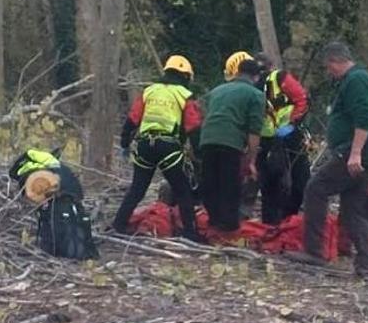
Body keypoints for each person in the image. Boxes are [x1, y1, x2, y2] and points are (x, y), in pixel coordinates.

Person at [301, 41, 368, 279]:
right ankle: (366, 266)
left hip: (355, 154)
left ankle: (315, 251)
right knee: (353, 209)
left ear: (336, 61)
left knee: (316, 189)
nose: (329, 72)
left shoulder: (356, 80)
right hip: (365, 156)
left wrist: (355, 152)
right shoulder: (357, 79)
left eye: (329, 67)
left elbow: (364, 118)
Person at [109, 55, 204, 243]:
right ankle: (190, 234)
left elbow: (132, 120)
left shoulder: (149, 92)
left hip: (144, 146)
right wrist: (199, 156)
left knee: (137, 189)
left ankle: (118, 225)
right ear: (185, 76)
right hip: (168, 147)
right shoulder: (183, 95)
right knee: (183, 190)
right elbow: (193, 127)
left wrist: (124, 144)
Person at [200, 57, 265, 233]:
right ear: (256, 77)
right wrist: (252, 160)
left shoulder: (217, 90)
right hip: (230, 141)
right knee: (229, 184)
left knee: (211, 182)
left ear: (237, 73)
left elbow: (205, 116)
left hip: (207, 139)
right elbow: (254, 131)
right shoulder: (255, 95)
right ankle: (228, 227)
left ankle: (214, 221)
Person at [8, 148, 98, 260]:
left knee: (54, 218)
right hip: (73, 197)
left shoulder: (35, 169)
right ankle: (82, 250)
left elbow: (33, 191)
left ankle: (56, 250)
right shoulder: (59, 168)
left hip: (56, 197)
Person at [254, 53, 311, 225]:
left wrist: (292, 124)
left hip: (290, 136)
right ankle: (270, 223)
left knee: (299, 181)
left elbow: (302, 100)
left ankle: (289, 218)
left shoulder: (280, 78)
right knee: (268, 184)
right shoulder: (252, 85)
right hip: (266, 139)